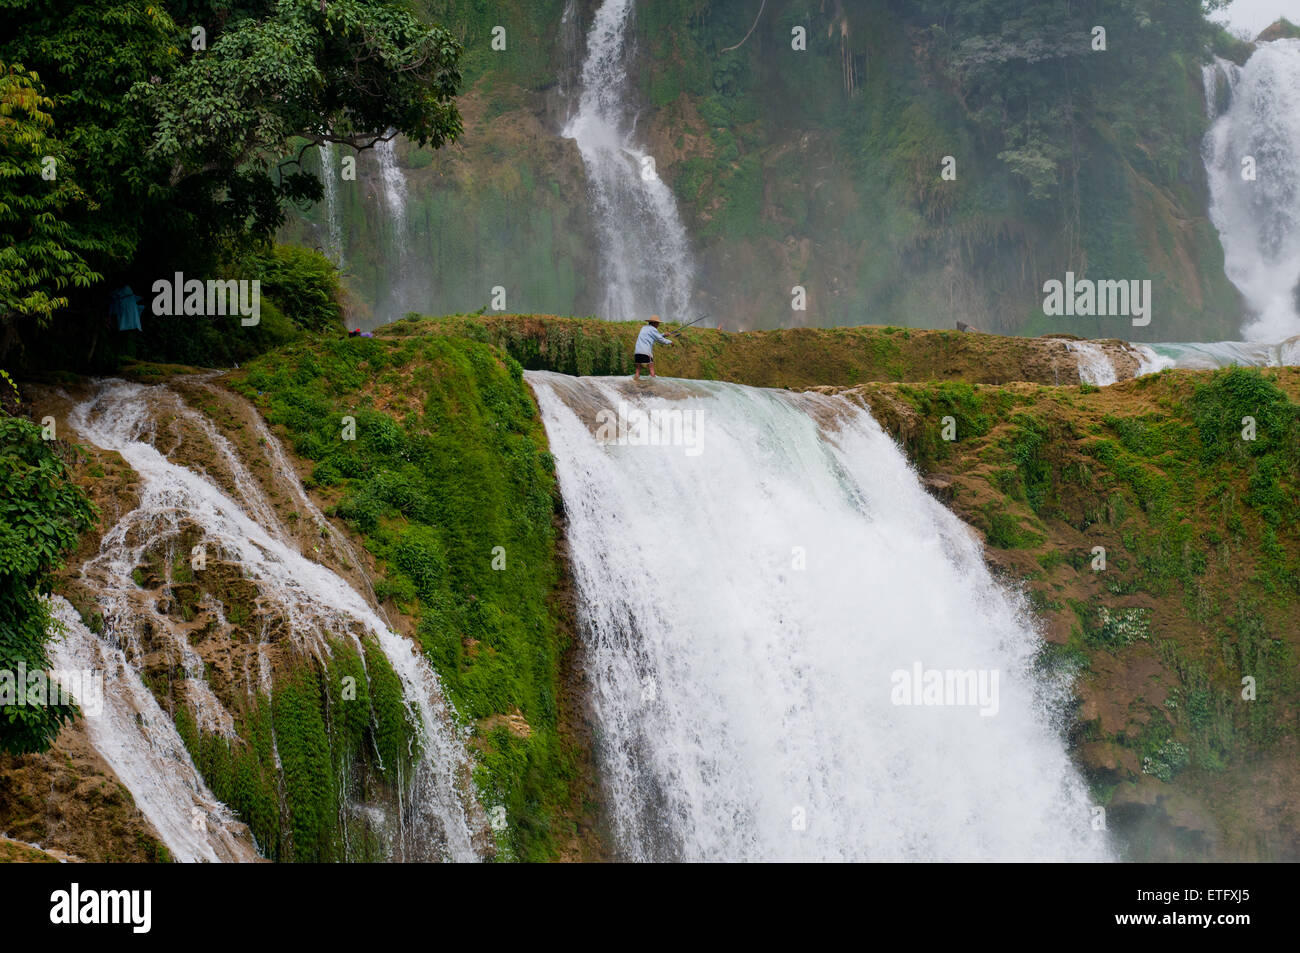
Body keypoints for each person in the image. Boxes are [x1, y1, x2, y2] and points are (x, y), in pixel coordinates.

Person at [633, 315, 673, 380]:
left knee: (638, 370)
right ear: (654, 323)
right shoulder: (653, 329)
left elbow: (654, 336)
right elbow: (660, 340)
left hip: (637, 352)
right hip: (645, 352)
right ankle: (653, 385)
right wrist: (670, 342)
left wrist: (663, 334)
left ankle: (635, 382)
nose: (658, 325)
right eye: (657, 323)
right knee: (651, 369)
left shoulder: (644, 328)